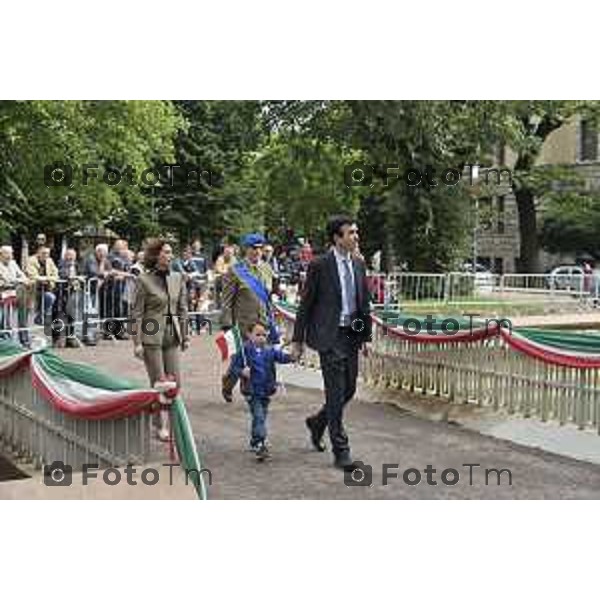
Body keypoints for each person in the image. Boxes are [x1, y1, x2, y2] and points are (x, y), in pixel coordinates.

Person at [291, 215, 372, 471]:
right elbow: (306, 304)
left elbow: (362, 305)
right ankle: (341, 451)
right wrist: (298, 339)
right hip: (329, 336)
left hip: (351, 335)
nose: (356, 237)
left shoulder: (359, 265)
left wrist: (364, 337)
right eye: (351, 233)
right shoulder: (320, 265)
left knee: (348, 390)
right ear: (337, 238)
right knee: (335, 393)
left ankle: (317, 422)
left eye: (356, 232)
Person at [131, 239, 190, 441]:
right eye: (166, 252)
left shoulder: (177, 277)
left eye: (171, 252)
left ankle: (172, 420)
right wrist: (137, 342)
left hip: (172, 333)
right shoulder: (143, 280)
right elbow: (137, 313)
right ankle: (160, 425)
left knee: (175, 383)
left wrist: (185, 334)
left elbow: (182, 308)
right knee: (159, 383)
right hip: (151, 332)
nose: (170, 255)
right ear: (156, 255)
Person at [220, 233, 278, 402]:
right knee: (242, 359)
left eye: (260, 248)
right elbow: (227, 300)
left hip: (263, 323)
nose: (257, 251)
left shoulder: (267, 268)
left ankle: (259, 389)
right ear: (246, 249)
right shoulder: (235, 270)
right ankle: (229, 383)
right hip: (243, 324)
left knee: (264, 356)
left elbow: (269, 295)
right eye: (254, 248)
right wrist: (227, 324)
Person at [230, 321, 295, 460]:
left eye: (264, 335)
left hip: (266, 390)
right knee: (259, 416)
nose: (261, 338)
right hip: (252, 391)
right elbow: (233, 368)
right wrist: (242, 371)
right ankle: (261, 442)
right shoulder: (244, 351)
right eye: (258, 334)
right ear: (249, 334)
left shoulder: (269, 350)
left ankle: (255, 441)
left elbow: (282, 357)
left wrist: (293, 356)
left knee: (261, 416)